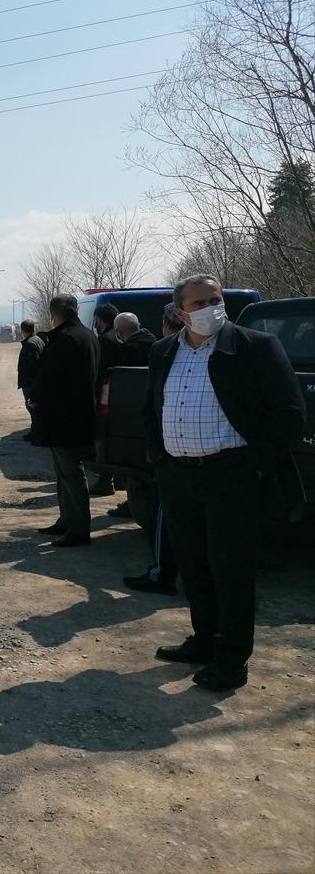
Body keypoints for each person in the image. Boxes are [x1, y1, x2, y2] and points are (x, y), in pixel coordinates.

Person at [147, 274, 305, 691]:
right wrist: (160, 458)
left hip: (231, 477)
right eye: (198, 303)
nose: (210, 308)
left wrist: (253, 464)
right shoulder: (164, 351)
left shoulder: (255, 347)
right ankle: (204, 640)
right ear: (180, 312)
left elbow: (289, 414)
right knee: (194, 566)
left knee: (230, 570)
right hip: (178, 476)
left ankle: (232, 660)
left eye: (214, 299)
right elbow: (152, 407)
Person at [28, 294, 100, 548]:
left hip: (64, 416)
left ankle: (78, 528)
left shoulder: (64, 339)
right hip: (80, 412)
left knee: (71, 473)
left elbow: (48, 376)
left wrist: (33, 398)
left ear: (54, 314)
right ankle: (66, 520)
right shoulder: (88, 335)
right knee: (63, 473)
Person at [122, 303, 184, 592]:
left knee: (166, 517)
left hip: (185, 461)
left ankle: (163, 573)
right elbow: (151, 405)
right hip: (170, 452)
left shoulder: (166, 351)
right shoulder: (160, 351)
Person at [89, 303, 122, 497]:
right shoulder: (120, 339)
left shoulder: (105, 341)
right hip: (121, 399)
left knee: (102, 440)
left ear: (101, 320)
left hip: (104, 399)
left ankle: (105, 480)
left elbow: (98, 373)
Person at [16, 319, 44, 440]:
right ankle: (36, 431)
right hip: (34, 381)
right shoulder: (38, 340)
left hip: (30, 382)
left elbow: (34, 365)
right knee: (34, 407)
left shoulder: (30, 344)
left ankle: (36, 433)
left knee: (32, 406)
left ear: (22, 330)